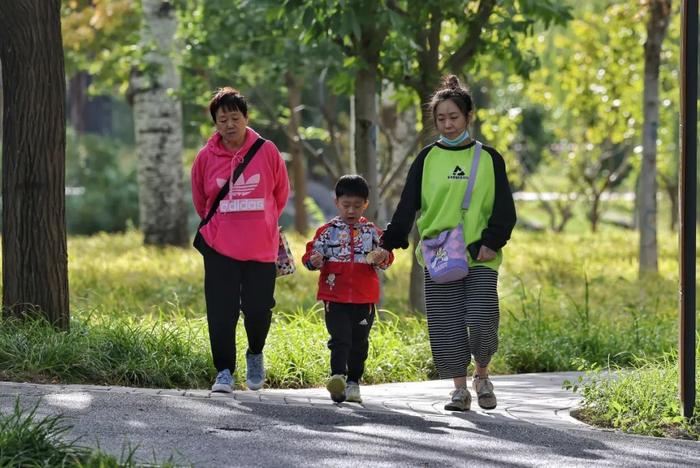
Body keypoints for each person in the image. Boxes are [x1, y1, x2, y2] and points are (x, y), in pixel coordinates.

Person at [375, 75, 516, 411]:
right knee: (446, 323)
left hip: (479, 254)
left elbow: (504, 208)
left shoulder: (490, 158)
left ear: (469, 117)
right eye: (441, 119)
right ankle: (459, 390)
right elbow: (408, 205)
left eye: (454, 117)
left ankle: (481, 373)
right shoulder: (426, 158)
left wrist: (492, 242)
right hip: (438, 255)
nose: (448, 124)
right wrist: (389, 243)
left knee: (483, 318)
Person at [191, 87, 289, 393]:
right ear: (215, 123)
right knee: (221, 312)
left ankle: (255, 352)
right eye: (222, 119)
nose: (229, 124)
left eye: (235, 117)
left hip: (261, 246)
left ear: (246, 118)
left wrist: (262, 222)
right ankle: (224, 371)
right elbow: (201, 201)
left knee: (259, 309)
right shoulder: (205, 157)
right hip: (219, 247)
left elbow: (280, 194)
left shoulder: (267, 150)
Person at [302, 175, 394, 403]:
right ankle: (338, 378)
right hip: (335, 296)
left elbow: (387, 258)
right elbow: (309, 257)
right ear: (337, 203)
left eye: (356, 205)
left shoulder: (373, 232)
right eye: (346, 205)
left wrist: (383, 256)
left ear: (366, 204)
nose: (351, 211)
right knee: (340, 338)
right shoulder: (326, 231)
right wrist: (314, 260)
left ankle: (353, 383)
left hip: (365, 297)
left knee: (359, 342)